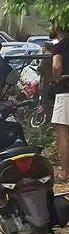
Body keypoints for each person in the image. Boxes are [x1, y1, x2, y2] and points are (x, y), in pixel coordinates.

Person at [51, 25, 69, 181]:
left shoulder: (59, 46)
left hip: (65, 92)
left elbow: (56, 66)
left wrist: (57, 78)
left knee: (63, 134)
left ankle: (65, 172)